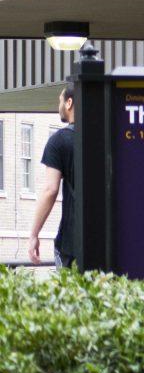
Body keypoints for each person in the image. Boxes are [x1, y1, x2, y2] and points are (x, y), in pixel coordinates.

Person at [28, 85, 76, 268]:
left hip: (71, 244)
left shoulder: (59, 141)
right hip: (106, 241)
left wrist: (34, 234)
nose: (59, 106)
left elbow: (50, 189)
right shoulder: (105, 135)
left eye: (60, 100)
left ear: (69, 103)